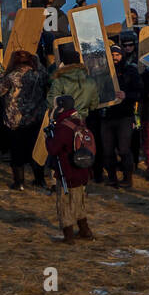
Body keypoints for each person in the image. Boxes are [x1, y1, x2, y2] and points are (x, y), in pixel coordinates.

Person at [0, 49, 48, 190]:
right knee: (35, 149)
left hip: (15, 119)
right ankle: (39, 179)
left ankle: (19, 182)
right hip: (35, 117)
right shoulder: (38, 74)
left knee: (16, 150)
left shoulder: (12, 76)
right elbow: (47, 77)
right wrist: (37, 61)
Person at [44, 94, 94, 243]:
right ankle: (85, 230)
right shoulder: (79, 123)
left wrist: (48, 138)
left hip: (66, 172)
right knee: (79, 201)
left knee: (64, 203)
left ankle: (69, 235)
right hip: (81, 170)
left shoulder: (63, 127)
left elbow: (54, 149)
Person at [102, 44, 139, 188]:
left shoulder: (130, 71)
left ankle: (127, 178)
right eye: (112, 55)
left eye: (117, 55)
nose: (114, 58)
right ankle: (112, 178)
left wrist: (126, 95)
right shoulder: (103, 73)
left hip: (124, 115)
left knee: (124, 149)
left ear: (122, 56)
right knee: (107, 150)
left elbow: (138, 92)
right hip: (107, 116)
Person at [46, 52, 97, 119]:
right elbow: (94, 105)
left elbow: (51, 102)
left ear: (64, 63)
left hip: (66, 121)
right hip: (84, 120)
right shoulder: (90, 81)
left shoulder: (59, 81)